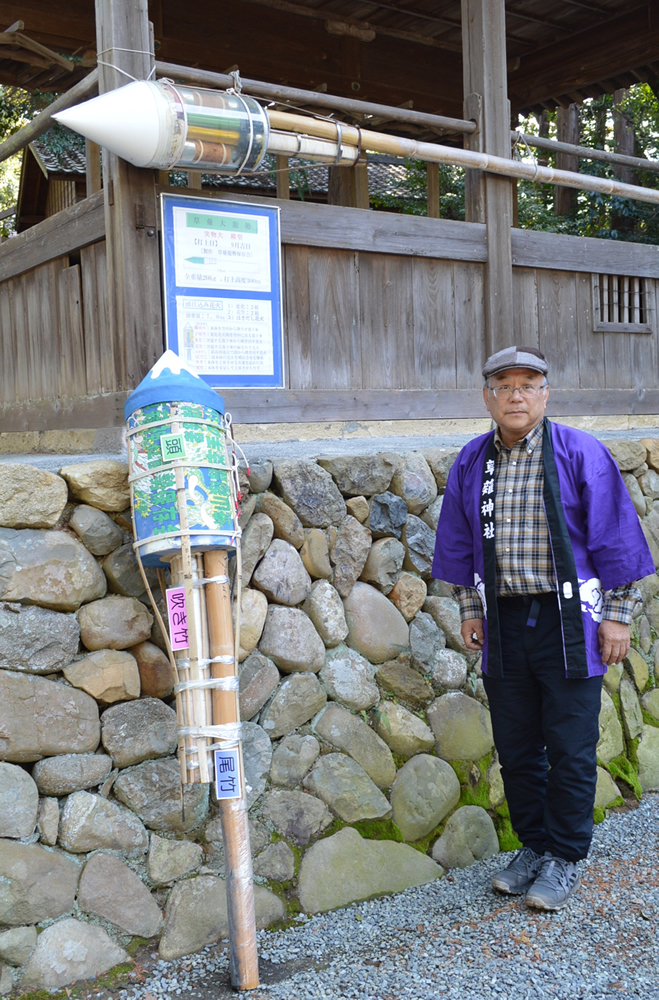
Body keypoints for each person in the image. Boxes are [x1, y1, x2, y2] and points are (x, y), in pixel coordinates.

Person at [432, 345, 654, 911]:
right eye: (503, 385)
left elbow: (616, 539)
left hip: (570, 619)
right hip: (505, 621)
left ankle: (564, 855)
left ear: (545, 394)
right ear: (487, 396)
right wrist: (470, 608)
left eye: (528, 385)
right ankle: (533, 844)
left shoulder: (580, 452)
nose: (516, 396)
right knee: (517, 743)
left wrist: (618, 617)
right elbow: (459, 542)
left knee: (571, 744)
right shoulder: (472, 461)